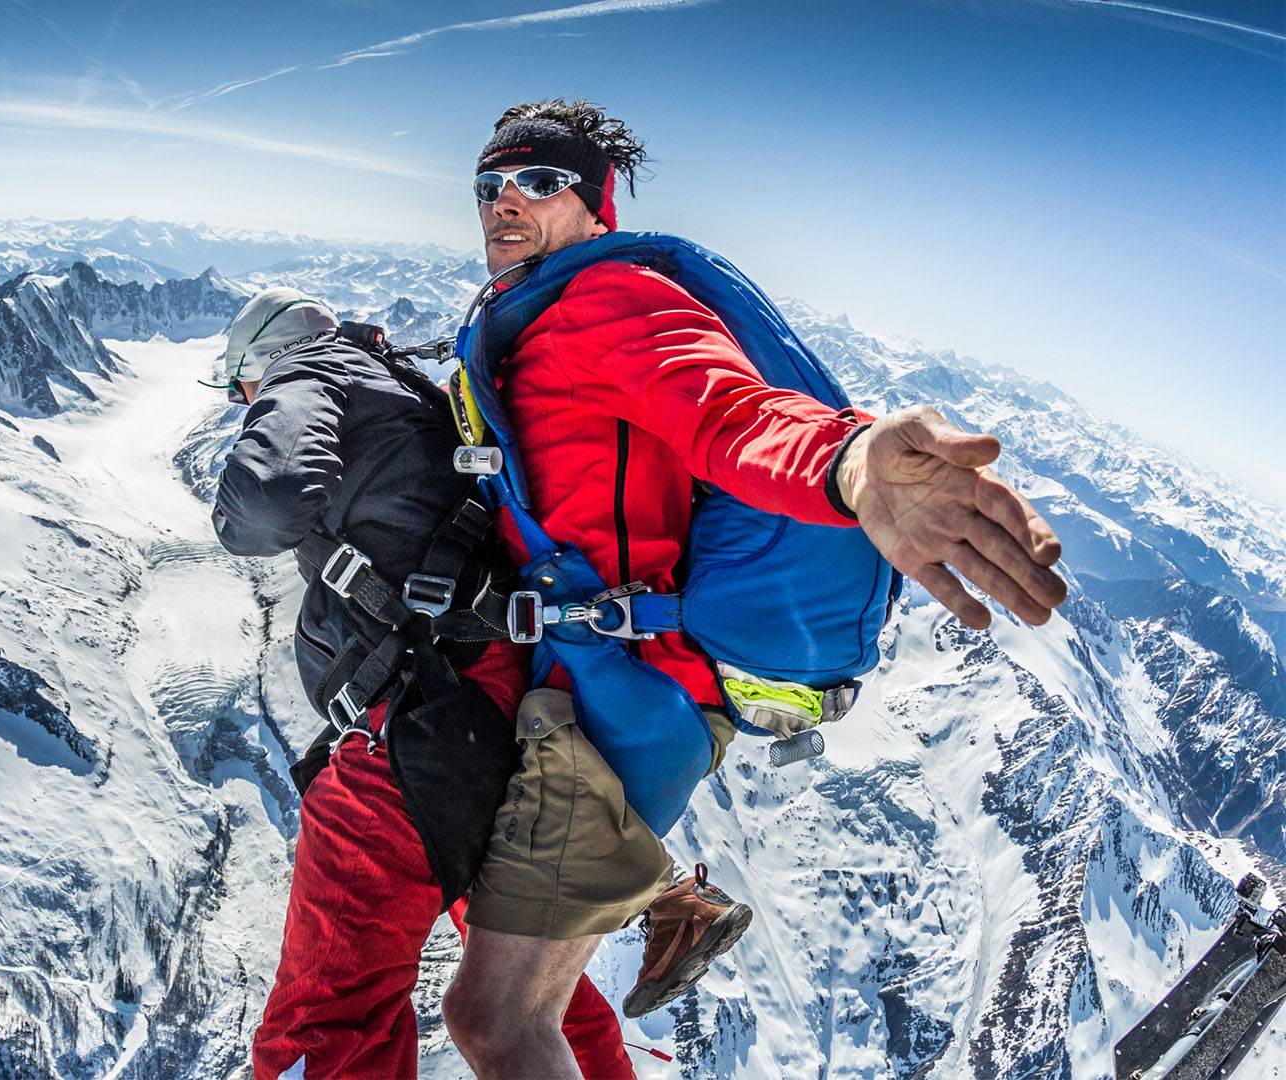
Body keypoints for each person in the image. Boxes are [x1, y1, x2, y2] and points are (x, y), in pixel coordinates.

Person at [439, 99, 1069, 1078]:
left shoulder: (604, 303)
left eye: (537, 180)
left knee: (498, 1020)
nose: (504, 203)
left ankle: (670, 909)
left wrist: (850, 464)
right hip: (606, 678)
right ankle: (675, 911)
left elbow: (729, 413)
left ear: (594, 201)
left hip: (622, 704)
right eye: (488, 185)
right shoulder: (545, 311)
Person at [210, 288, 641, 1078]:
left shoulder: (307, 367)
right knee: (528, 988)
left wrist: (233, 512)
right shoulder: (413, 388)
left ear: (258, 363)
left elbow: (265, 503)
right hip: (506, 703)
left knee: (329, 1014)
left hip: (421, 720)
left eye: (242, 387)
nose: (245, 401)